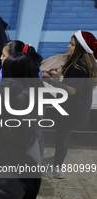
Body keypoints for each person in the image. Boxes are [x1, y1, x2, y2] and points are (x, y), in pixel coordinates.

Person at [41, 30, 97, 178]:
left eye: (72, 45)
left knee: (61, 139)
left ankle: (57, 170)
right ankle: (56, 160)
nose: (68, 46)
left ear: (80, 48)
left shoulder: (78, 66)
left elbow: (71, 90)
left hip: (73, 110)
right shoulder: (85, 63)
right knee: (62, 138)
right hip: (78, 107)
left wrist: (50, 80)